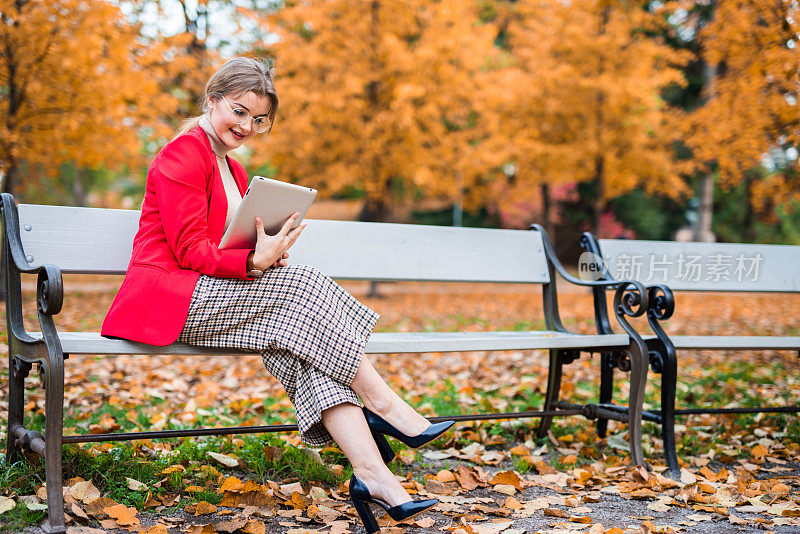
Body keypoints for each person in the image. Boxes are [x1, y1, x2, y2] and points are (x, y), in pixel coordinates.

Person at [100, 57, 453, 533]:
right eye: (239, 111)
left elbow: (230, 246)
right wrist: (253, 263)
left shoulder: (237, 172)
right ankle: (390, 409)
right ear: (212, 100)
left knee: (306, 350)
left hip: (216, 292)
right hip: (171, 298)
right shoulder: (183, 154)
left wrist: (266, 253)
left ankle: (375, 477)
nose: (247, 125)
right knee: (304, 286)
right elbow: (187, 252)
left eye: (259, 119)